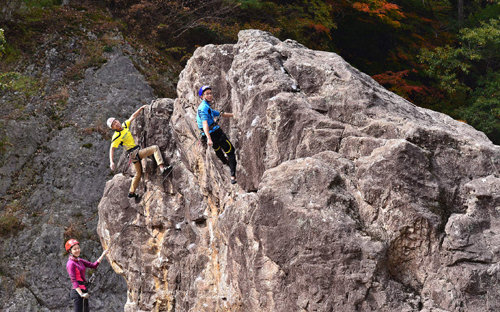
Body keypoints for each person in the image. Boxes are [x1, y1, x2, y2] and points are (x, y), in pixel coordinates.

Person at [107, 105, 170, 198]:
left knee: (138, 174)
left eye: (116, 121)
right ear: (113, 128)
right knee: (155, 148)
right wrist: (111, 162)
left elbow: (132, 117)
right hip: (134, 153)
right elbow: (111, 149)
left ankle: (131, 192)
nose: (116, 123)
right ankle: (162, 168)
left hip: (133, 155)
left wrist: (140, 109)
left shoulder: (124, 125)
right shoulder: (116, 136)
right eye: (114, 124)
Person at [196, 85, 237, 184]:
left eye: (210, 93)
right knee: (231, 151)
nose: (210, 95)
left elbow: (219, 113)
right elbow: (205, 123)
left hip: (209, 134)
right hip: (214, 133)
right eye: (207, 94)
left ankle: (224, 161)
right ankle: (233, 176)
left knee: (217, 149)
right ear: (202, 96)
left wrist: (234, 115)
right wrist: (209, 139)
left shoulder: (206, 106)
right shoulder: (203, 108)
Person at [65, 239, 107, 312]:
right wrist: (81, 294)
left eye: (78, 248)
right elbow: (74, 280)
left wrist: (103, 255)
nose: (77, 250)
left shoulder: (79, 260)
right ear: (70, 251)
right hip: (78, 292)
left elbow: (93, 265)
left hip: (84, 290)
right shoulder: (70, 263)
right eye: (75, 249)